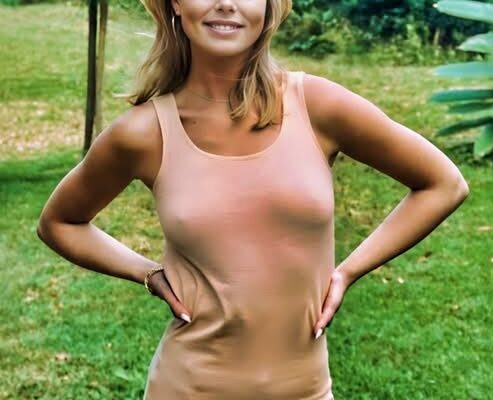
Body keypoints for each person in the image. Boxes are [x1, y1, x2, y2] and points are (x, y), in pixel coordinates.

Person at [36, 0, 470, 398]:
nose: (226, 3)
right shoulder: (143, 133)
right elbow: (59, 222)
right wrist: (146, 272)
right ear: (175, 5)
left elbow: (443, 184)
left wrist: (348, 271)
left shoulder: (317, 105)